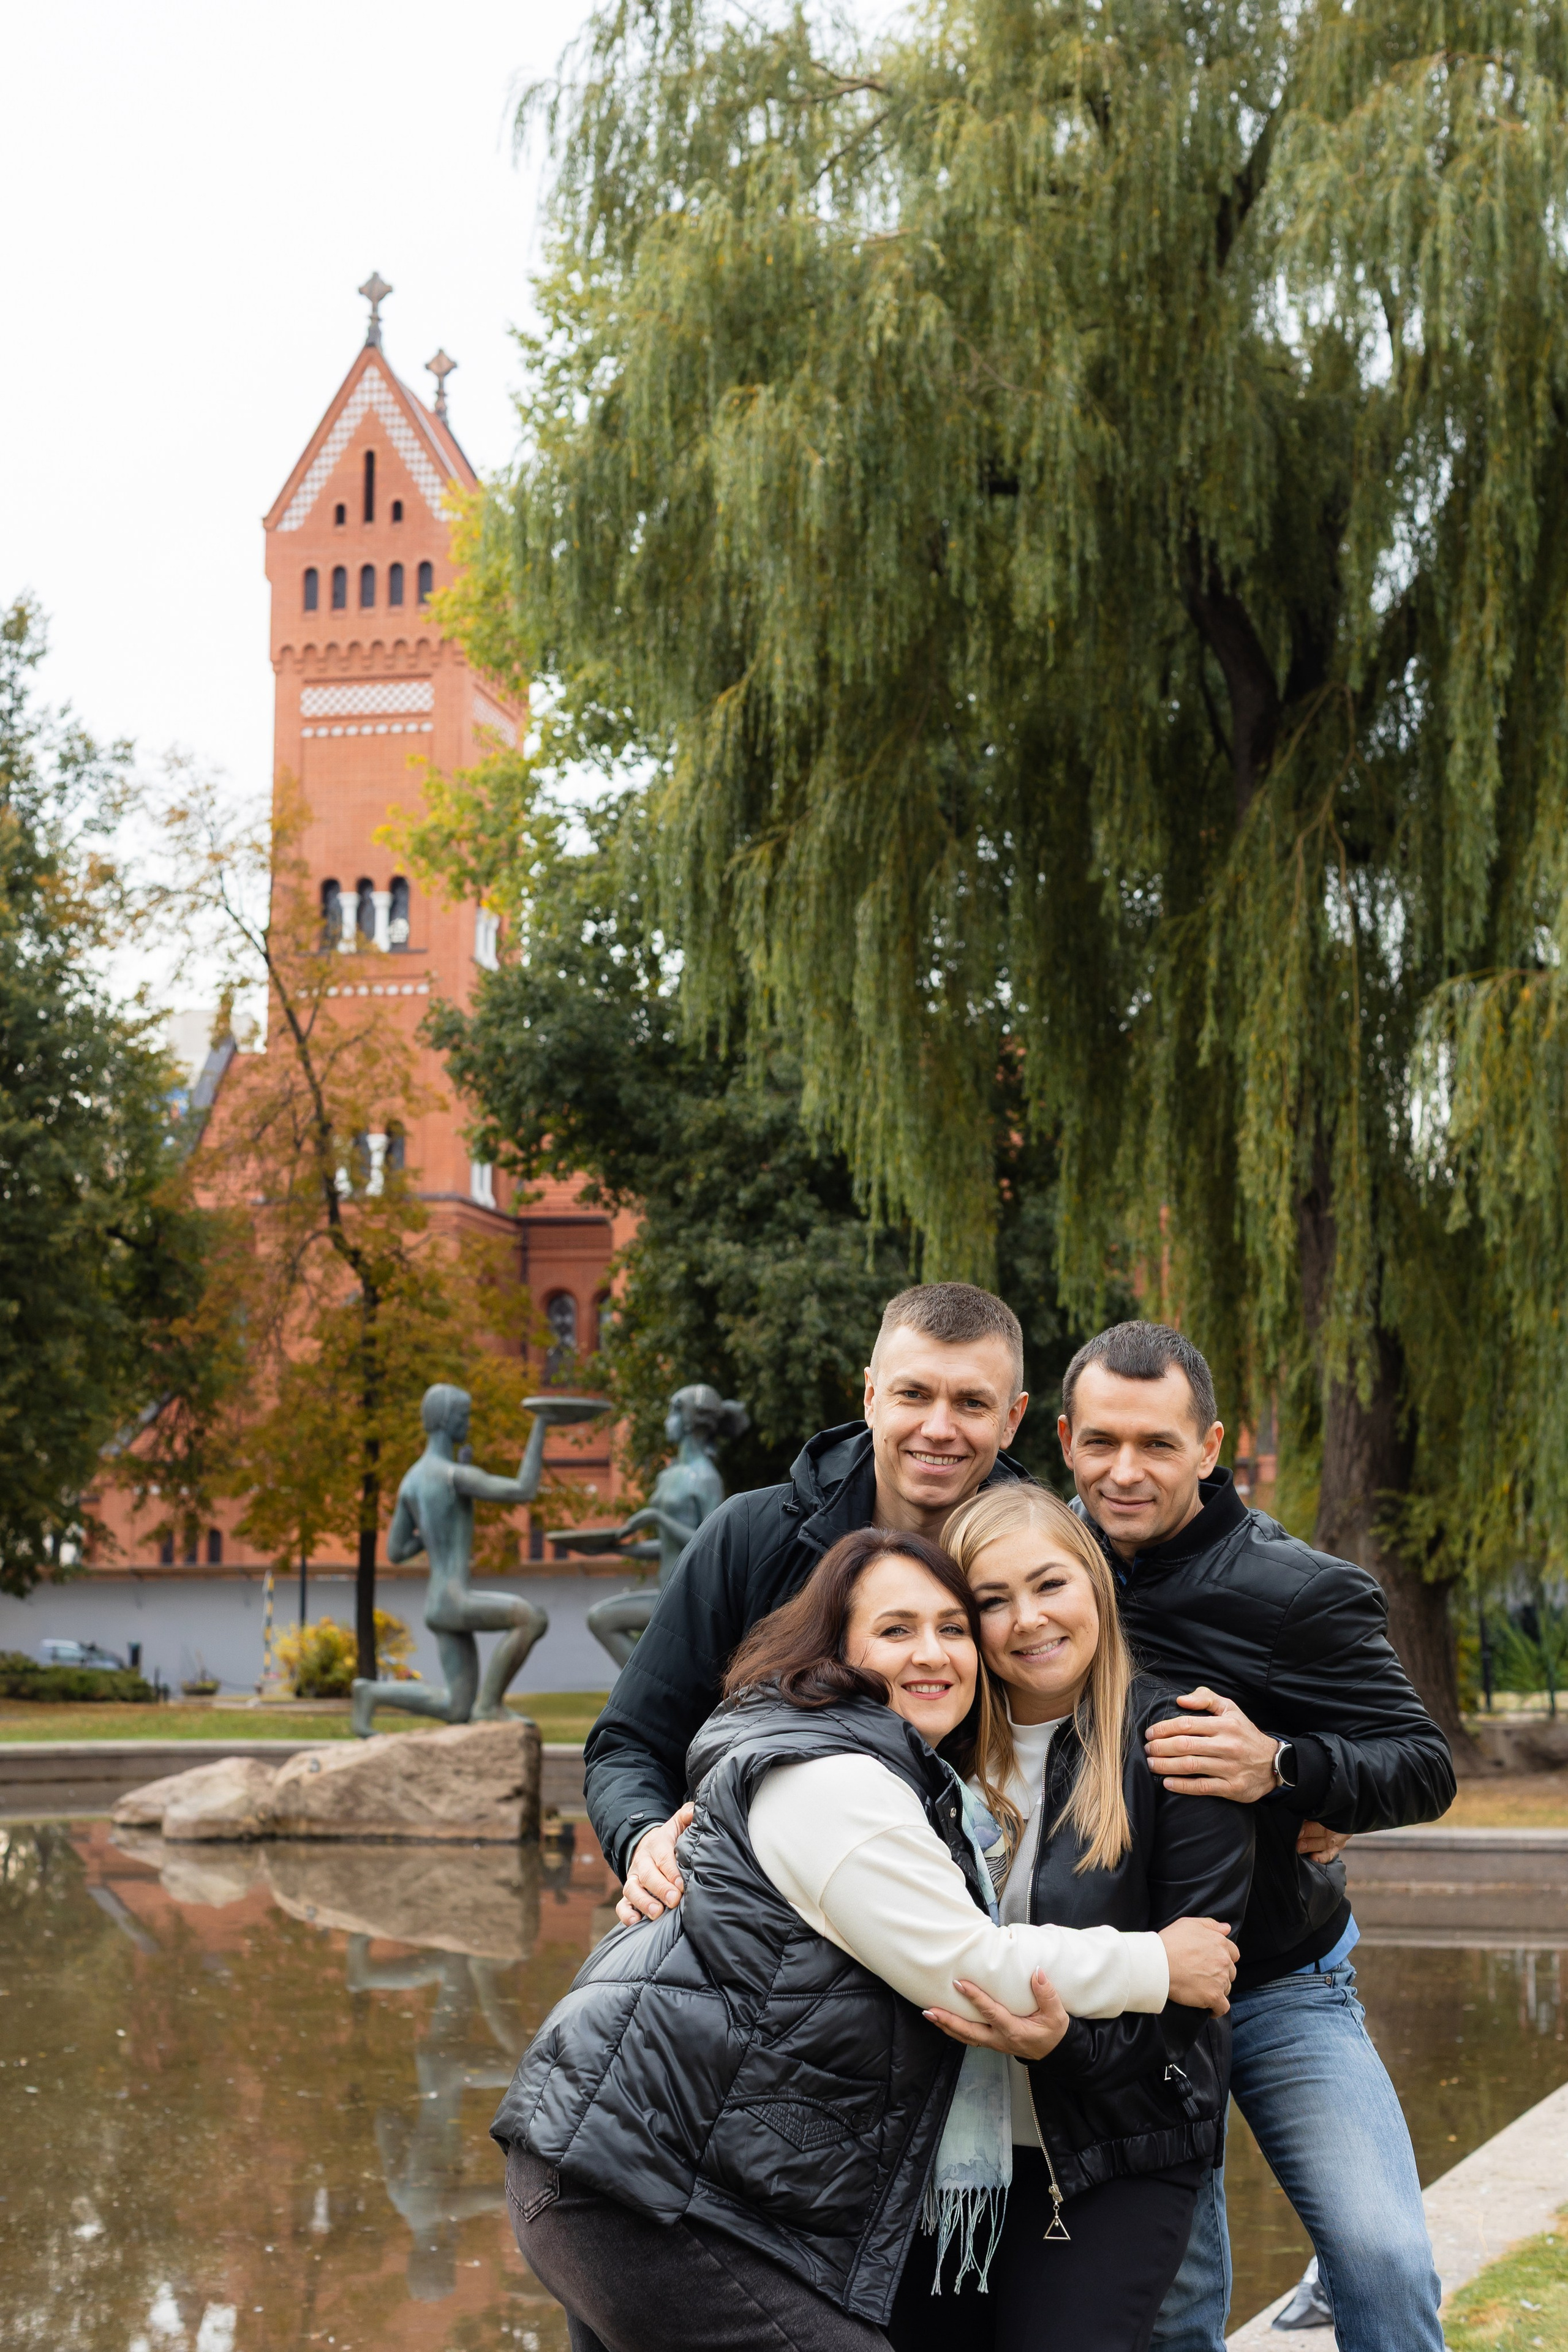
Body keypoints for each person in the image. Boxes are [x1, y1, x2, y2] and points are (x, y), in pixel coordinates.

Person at [493, 1527, 1240, 2352]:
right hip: (645, 2189)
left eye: (953, 1628)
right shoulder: (836, 1780)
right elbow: (966, 1966)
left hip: (626, 2169)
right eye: (896, 1631)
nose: (933, 1653)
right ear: (836, 1653)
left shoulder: (862, 1763)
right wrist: (1160, 1963)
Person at [1056, 1321, 1453, 2352]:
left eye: (1156, 1443)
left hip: (1280, 1978)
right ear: (1064, 1440)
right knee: (1172, 2310)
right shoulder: (1034, 1564)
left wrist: (1281, 1767)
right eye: (1102, 1442)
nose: (1126, 1470)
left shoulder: (1295, 1591)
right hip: (1123, 1989)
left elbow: (1422, 1765)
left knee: (1383, 2258)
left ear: (1211, 1445)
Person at [887, 1483, 1255, 2352]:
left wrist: (1063, 2044)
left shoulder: (1176, 1747)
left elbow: (1191, 1996)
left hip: (1116, 2144)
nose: (1027, 1621)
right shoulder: (923, 1749)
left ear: (1094, 1582)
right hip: (945, 2157)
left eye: (1050, 1585)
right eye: (991, 1601)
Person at [586, 1282, 1035, 1908]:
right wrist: (644, 1841)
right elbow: (630, 1744)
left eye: (971, 1403)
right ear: (871, 1396)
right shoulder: (748, 1537)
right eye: (913, 1394)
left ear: (1011, 1420)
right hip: (760, 1926)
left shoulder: (1046, 1569)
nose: (939, 1429)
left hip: (978, 1931)